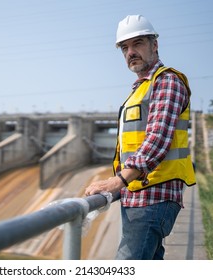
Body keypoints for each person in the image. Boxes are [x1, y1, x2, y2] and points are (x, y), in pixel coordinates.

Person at [84, 15, 196, 260]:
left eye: (138, 44)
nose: (130, 52)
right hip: (137, 195)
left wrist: (116, 182)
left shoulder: (166, 82)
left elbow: (157, 139)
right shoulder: (141, 88)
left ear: (154, 45)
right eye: (125, 47)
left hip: (153, 197)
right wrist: (119, 187)